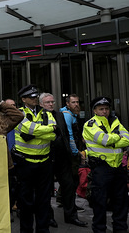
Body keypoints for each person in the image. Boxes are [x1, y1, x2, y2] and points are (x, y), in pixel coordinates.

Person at [39, 93, 87, 228]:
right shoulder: (40, 116)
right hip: (46, 157)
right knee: (47, 190)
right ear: (41, 104)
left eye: (52, 102)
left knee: (69, 185)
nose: (50, 104)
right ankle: (48, 217)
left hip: (62, 157)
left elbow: (67, 134)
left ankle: (71, 216)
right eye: (47, 102)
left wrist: (72, 152)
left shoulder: (60, 115)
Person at [13, 84, 56, 233]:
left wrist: (34, 133)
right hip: (26, 163)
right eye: (31, 97)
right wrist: (44, 130)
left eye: (35, 96)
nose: (35, 99)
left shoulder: (47, 113)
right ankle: (26, 230)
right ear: (23, 99)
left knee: (44, 201)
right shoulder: (19, 113)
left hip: (44, 162)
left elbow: (53, 134)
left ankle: (43, 230)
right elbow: (26, 129)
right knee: (25, 202)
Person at [83, 96, 129, 233]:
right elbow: (104, 140)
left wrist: (113, 140)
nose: (104, 111)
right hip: (101, 168)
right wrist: (117, 138)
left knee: (121, 201)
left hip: (118, 167)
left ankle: (120, 228)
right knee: (100, 202)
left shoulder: (115, 121)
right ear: (95, 110)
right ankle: (99, 229)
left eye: (107, 109)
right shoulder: (90, 124)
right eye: (101, 109)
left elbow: (127, 139)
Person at [60, 94, 85, 190]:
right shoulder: (67, 115)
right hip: (70, 152)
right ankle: (64, 199)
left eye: (77, 102)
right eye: (73, 102)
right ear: (67, 104)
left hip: (73, 150)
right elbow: (69, 135)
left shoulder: (74, 114)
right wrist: (75, 152)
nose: (76, 104)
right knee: (72, 176)